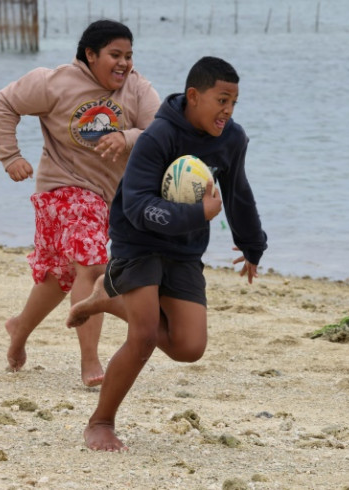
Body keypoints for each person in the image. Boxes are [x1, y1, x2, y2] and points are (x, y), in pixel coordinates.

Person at [65, 56, 268, 451]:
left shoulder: (233, 139)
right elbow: (136, 206)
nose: (227, 111)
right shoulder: (158, 136)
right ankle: (101, 422)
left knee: (189, 347)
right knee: (142, 336)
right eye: (221, 100)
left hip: (184, 248)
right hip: (138, 241)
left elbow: (238, 192)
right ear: (193, 96)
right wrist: (198, 213)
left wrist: (252, 244)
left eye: (234, 103)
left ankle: (108, 300)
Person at [0, 20, 161, 387]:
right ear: (90, 54)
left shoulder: (138, 89)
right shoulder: (55, 83)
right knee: (93, 266)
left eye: (129, 56)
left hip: (107, 198)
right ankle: (90, 362)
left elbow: (160, 133)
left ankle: (19, 328)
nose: (124, 64)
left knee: (61, 276)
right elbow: (3, 104)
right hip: (61, 190)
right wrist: (10, 156)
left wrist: (126, 137)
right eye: (115, 55)